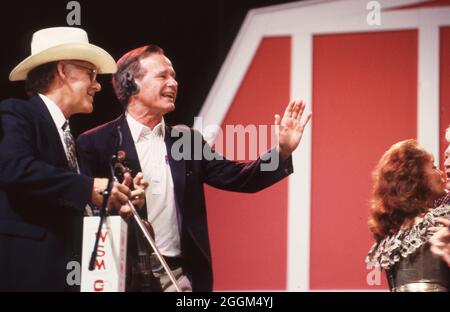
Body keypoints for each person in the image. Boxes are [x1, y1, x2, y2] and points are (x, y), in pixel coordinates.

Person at [76, 45, 312, 291]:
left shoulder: (186, 140)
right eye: (162, 76)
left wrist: (281, 152)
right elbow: (84, 212)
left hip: (179, 277)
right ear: (131, 83)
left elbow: (241, 178)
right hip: (122, 274)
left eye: (174, 76)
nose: (173, 83)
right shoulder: (95, 143)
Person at [0, 27, 136, 291]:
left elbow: (72, 199)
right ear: (63, 70)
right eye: (91, 74)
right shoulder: (16, 113)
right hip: (28, 273)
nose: (97, 84)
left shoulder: (70, 138)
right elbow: (13, 168)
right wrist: (89, 187)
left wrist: (114, 198)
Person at [366, 139, 450, 292]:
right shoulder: (440, 219)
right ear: (416, 179)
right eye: (433, 167)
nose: (441, 172)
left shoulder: (391, 235)